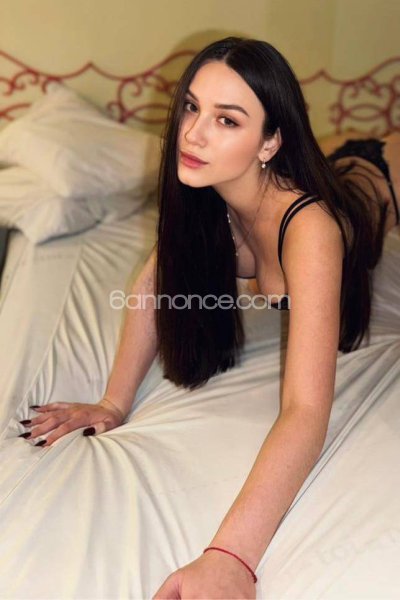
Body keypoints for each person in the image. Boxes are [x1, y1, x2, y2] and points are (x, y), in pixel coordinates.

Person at [18, 37, 399, 598]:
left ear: (269, 141)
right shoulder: (203, 190)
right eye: (192, 107)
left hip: (382, 181)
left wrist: (230, 556)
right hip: (329, 169)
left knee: (368, 168)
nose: (193, 133)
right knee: (341, 163)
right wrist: (113, 403)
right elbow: (151, 287)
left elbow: (305, 410)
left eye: (227, 120)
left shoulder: (310, 229)